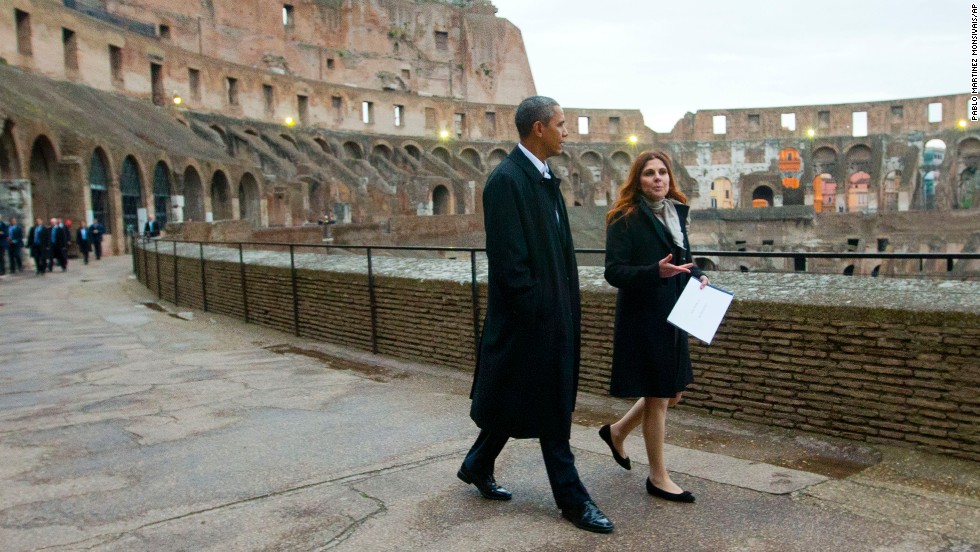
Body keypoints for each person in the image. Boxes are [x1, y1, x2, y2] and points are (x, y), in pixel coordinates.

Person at [459, 96, 614, 534]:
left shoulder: (543, 176)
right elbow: (511, 265)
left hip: (553, 314)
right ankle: (572, 499)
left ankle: (477, 462)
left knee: (518, 395)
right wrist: (541, 315)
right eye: (562, 124)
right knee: (551, 409)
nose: (568, 132)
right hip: (532, 321)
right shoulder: (507, 181)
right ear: (539, 129)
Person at [598, 150, 709, 503]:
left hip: (675, 314)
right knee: (659, 395)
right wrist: (653, 272)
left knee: (671, 393)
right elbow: (614, 272)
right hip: (644, 318)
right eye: (649, 173)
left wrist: (700, 276)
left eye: (662, 172)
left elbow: (683, 262)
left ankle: (616, 432)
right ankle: (658, 478)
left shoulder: (676, 212)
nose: (657, 178)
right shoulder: (624, 217)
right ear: (638, 179)